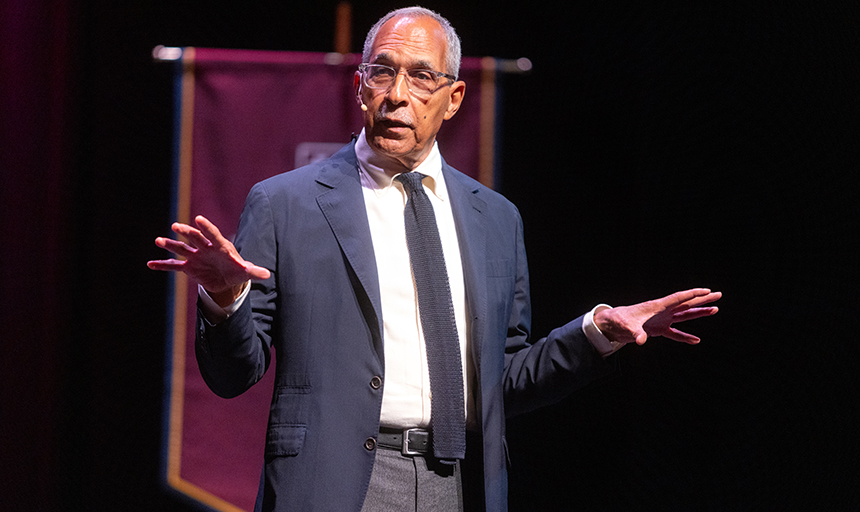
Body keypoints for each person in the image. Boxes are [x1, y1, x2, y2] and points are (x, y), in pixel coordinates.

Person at [148, 6, 721, 512]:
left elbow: (503, 382)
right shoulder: (285, 202)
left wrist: (598, 332)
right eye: (382, 71)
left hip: (462, 484)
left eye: (421, 77)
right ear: (360, 85)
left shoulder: (495, 218)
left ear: (453, 99)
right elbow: (232, 375)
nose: (397, 94)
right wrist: (226, 300)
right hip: (336, 484)